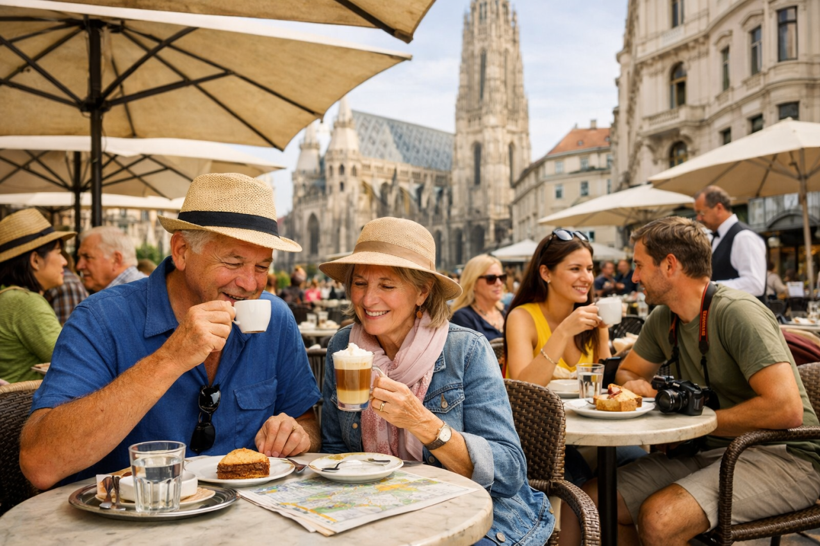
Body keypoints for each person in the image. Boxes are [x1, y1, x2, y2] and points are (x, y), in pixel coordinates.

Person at [20, 173, 321, 490]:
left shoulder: (276, 319)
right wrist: (169, 359)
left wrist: (298, 435)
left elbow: (309, 426)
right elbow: (40, 464)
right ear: (181, 250)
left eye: (262, 267)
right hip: (129, 529)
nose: (250, 284)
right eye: (234, 262)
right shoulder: (101, 319)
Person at [570, 217, 820, 546]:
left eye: (639, 266)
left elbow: (786, 410)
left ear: (670, 265)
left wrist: (699, 423)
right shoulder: (664, 318)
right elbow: (629, 373)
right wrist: (639, 386)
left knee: (660, 519)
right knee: (591, 500)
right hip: (710, 449)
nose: (633, 278)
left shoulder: (738, 312)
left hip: (787, 457)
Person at [319, 217, 554, 546]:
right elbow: (334, 450)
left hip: (472, 513)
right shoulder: (343, 347)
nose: (368, 299)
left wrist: (424, 424)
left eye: (387, 286)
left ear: (422, 292)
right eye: (359, 283)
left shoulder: (466, 349)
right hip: (376, 511)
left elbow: (509, 470)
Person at [503, 230, 643, 493]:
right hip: (538, 439)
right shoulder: (522, 317)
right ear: (546, 273)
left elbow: (605, 389)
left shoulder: (591, 319)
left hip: (589, 433)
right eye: (575, 268)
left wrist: (604, 334)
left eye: (590, 269)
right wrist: (564, 332)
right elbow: (522, 389)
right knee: (582, 487)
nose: (587, 278)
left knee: (641, 466)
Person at [0, 209, 75, 383]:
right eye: (58, 252)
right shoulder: (24, 302)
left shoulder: (8, 296)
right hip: (26, 408)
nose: (65, 261)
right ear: (35, 260)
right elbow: (74, 360)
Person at [694, 186, 766, 299]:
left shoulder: (744, 237)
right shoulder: (715, 237)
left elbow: (755, 284)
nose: (698, 218)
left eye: (702, 212)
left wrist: (709, 287)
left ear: (719, 208)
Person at [449, 254, 506, 341]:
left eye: (501, 278)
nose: (499, 283)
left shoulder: (507, 311)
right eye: (491, 278)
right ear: (473, 283)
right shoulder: (462, 317)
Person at [76, 226, 146, 293]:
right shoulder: (141, 290)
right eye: (80, 257)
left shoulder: (137, 294)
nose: (79, 266)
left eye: (87, 257)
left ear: (116, 260)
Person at [44, 249, 88, 325]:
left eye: (87, 257)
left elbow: (69, 334)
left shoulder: (68, 286)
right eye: (58, 253)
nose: (64, 261)